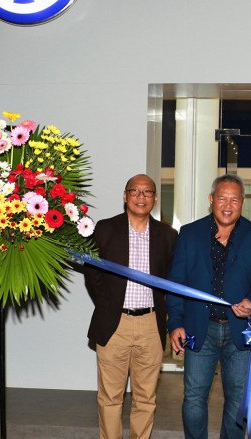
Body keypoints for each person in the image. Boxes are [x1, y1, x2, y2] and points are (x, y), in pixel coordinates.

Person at [166, 173, 251, 439]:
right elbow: (176, 282)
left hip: (240, 331)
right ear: (211, 199)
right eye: (222, 198)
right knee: (193, 399)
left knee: (238, 401)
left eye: (234, 199)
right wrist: (175, 323)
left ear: (242, 202)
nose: (228, 205)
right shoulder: (190, 234)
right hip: (199, 329)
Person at [84, 174, 178, 439]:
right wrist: (108, 305)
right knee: (110, 397)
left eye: (147, 192)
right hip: (115, 324)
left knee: (146, 397)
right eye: (135, 191)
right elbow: (93, 274)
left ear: (155, 198)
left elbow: (171, 278)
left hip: (151, 325)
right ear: (125, 196)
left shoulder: (168, 235)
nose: (141, 197)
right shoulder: (104, 229)